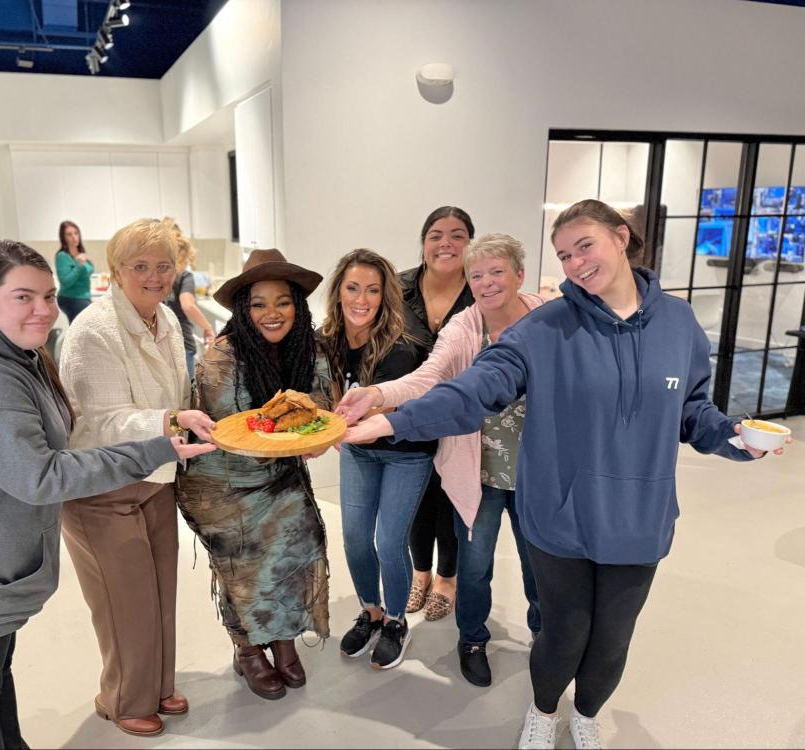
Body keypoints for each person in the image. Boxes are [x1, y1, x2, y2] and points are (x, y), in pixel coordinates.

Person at [339, 199, 791, 749]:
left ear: (622, 238)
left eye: (586, 246)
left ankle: (588, 713)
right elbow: (473, 389)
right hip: (560, 516)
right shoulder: (543, 328)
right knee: (561, 634)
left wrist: (735, 438)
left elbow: (693, 411)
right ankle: (545, 708)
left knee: (611, 642)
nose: (576, 263)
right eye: (565, 254)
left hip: (638, 519)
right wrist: (392, 420)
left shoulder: (678, 323)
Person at [0, 240, 214, 750]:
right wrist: (159, 447)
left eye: (48, 296)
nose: (44, 310)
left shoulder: (8, 353)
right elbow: (41, 475)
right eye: (23, 297)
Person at [337, 234, 544, 687]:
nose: (487, 283)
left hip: (537, 474)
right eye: (478, 275)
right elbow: (425, 379)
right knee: (473, 568)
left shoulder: (546, 320)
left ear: (519, 274)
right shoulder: (463, 328)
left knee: (540, 567)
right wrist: (375, 394)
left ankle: (543, 638)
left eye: (497, 272)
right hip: (480, 473)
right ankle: (472, 639)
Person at [57, 219, 216, 738]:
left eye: (164, 266)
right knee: (124, 600)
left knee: (157, 593)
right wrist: (172, 421)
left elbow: (180, 392)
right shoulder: (94, 331)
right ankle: (123, 697)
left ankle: (156, 685)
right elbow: (102, 420)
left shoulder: (166, 321)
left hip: (155, 476)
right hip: (102, 487)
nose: (154, 276)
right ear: (117, 271)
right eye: (140, 266)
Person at [175, 248, 333, 701]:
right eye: (258, 303)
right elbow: (237, 429)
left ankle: (283, 641)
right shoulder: (221, 356)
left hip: (279, 475)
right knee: (243, 566)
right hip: (220, 481)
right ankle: (247, 651)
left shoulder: (311, 348)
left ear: (297, 306)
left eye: (282, 301)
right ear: (244, 309)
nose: (271, 313)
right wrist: (303, 430)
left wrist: (314, 431)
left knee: (296, 548)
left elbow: (321, 410)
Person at [318, 249, 436, 670]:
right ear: (339, 291)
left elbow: (394, 408)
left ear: (387, 295)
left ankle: (395, 620)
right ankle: (370, 612)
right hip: (358, 454)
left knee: (389, 541)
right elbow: (326, 390)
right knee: (353, 536)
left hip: (405, 456)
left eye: (373, 290)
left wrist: (339, 423)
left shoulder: (405, 345)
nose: (362, 299)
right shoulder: (328, 339)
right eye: (353, 288)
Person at [397, 206, 476, 621]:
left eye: (457, 235)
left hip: (462, 416)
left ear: (470, 244)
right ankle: (420, 573)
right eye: (436, 234)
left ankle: (448, 577)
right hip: (407, 413)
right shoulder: (397, 287)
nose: (446, 243)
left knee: (452, 499)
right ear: (423, 242)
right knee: (415, 499)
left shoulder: (481, 288)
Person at [162, 217, 216, 378]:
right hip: (181, 343)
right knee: (186, 397)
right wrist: (208, 327)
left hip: (159, 345)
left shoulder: (157, 277)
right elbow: (188, 305)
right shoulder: (184, 277)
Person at [55, 220, 93, 323]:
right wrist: (78, 265)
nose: (74, 237)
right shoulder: (62, 256)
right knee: (83, 330)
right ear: (63, 237)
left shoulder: (80, 252)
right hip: (70, 298)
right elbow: (65, 282)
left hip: (83, 298)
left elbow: (88, 271)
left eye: (76, 233)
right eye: (69, 234)